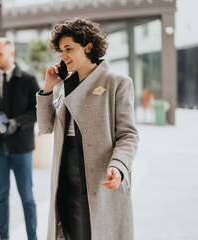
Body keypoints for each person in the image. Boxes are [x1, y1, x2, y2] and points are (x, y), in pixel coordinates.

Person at [36, 18, 139, 240]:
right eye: (61, 50)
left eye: (69, 49)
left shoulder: (117, 82)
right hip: (66, 181)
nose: (63, 55)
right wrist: (48, 88)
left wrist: (118, 164)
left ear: (88, 47)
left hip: (97, 179)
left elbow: (129, 134)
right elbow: (46, 127)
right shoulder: (67, 85)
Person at [0, 37, 40, 240]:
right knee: (1, 197)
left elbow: (37, 111)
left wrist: (17, 122)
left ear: (11, 53)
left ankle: (33, 237)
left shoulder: (28, 80)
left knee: (27, 197)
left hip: (21, 147)